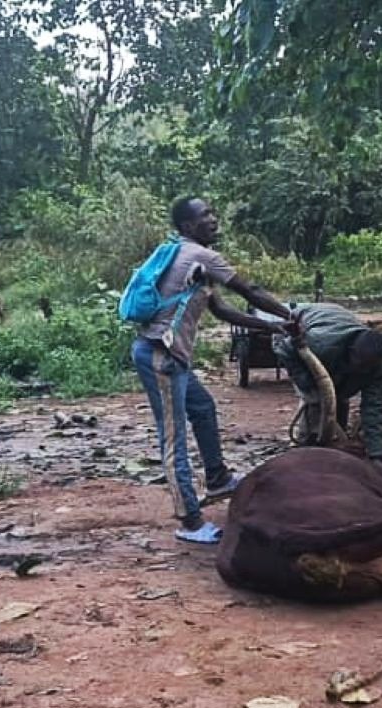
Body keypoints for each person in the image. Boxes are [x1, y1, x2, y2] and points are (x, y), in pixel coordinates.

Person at [134, 196, 293, 545]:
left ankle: (218, 478)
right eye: (205, 214)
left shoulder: (191, 262)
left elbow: (222, 310)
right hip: (161, 356)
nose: (214, 219)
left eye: (212, 212)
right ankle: (190, 521)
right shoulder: (201, 256)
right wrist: (289, 316)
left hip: (169, 355)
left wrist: (272, 327)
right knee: (173, 437)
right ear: (188, 226)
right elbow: (248, 289)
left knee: (203, 408)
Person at [272, 302, 382, 462]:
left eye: (366, 368)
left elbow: (374, 408)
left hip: (336, 342)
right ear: (351, 350)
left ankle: (333, 446)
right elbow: (283, 349)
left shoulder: (377, 366)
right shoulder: (318, 343)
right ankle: (307, 448)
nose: (361, 370)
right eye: (359, 364)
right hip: (295, 333)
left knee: (338, 400)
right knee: (316, 404)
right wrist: (308, 385)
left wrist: (378, 455)